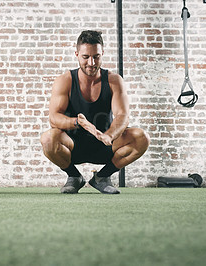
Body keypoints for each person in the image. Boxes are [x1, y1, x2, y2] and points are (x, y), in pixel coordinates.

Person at [40, 30, 150, 194]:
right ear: (77, 54)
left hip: (105, 144)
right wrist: (78, 122)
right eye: (85, 57)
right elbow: (54, 118)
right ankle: (74, 177)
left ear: (102, 54)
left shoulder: (114, 80)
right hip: (73, 145)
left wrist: (109, 135)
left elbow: (122, 116)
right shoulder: (65, 80)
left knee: (141, 138)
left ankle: (102, 177)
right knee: (48, 139)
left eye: (96, 56)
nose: (91, 62)